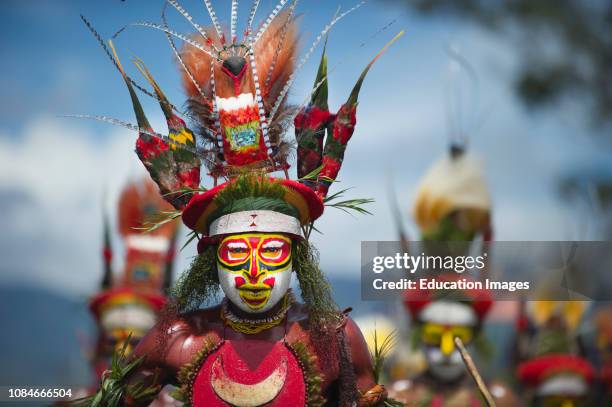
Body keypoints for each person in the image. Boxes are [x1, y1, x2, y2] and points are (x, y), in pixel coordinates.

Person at [77, 1, 402, 406]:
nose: (253, 272)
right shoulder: (178, 339)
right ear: (210, 258)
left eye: (270, 251)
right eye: (235, 252)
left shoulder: (334, 340)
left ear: (296, 256)